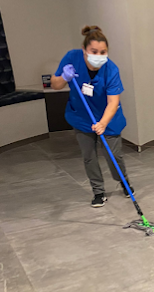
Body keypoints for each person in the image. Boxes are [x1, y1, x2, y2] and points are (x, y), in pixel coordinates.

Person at [51, 25, 134, 208]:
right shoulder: (72, 58)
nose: (98, 55)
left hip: (108, 118)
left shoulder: (111, 69)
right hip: (82, 116)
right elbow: (55, 85)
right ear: (84, 49)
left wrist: (103, 123)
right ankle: (98, 191)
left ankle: (124, 181)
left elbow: (113, 102)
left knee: (114, 155)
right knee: (89, 156)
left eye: (103, 52)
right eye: (94, 51)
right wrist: (64, 77)